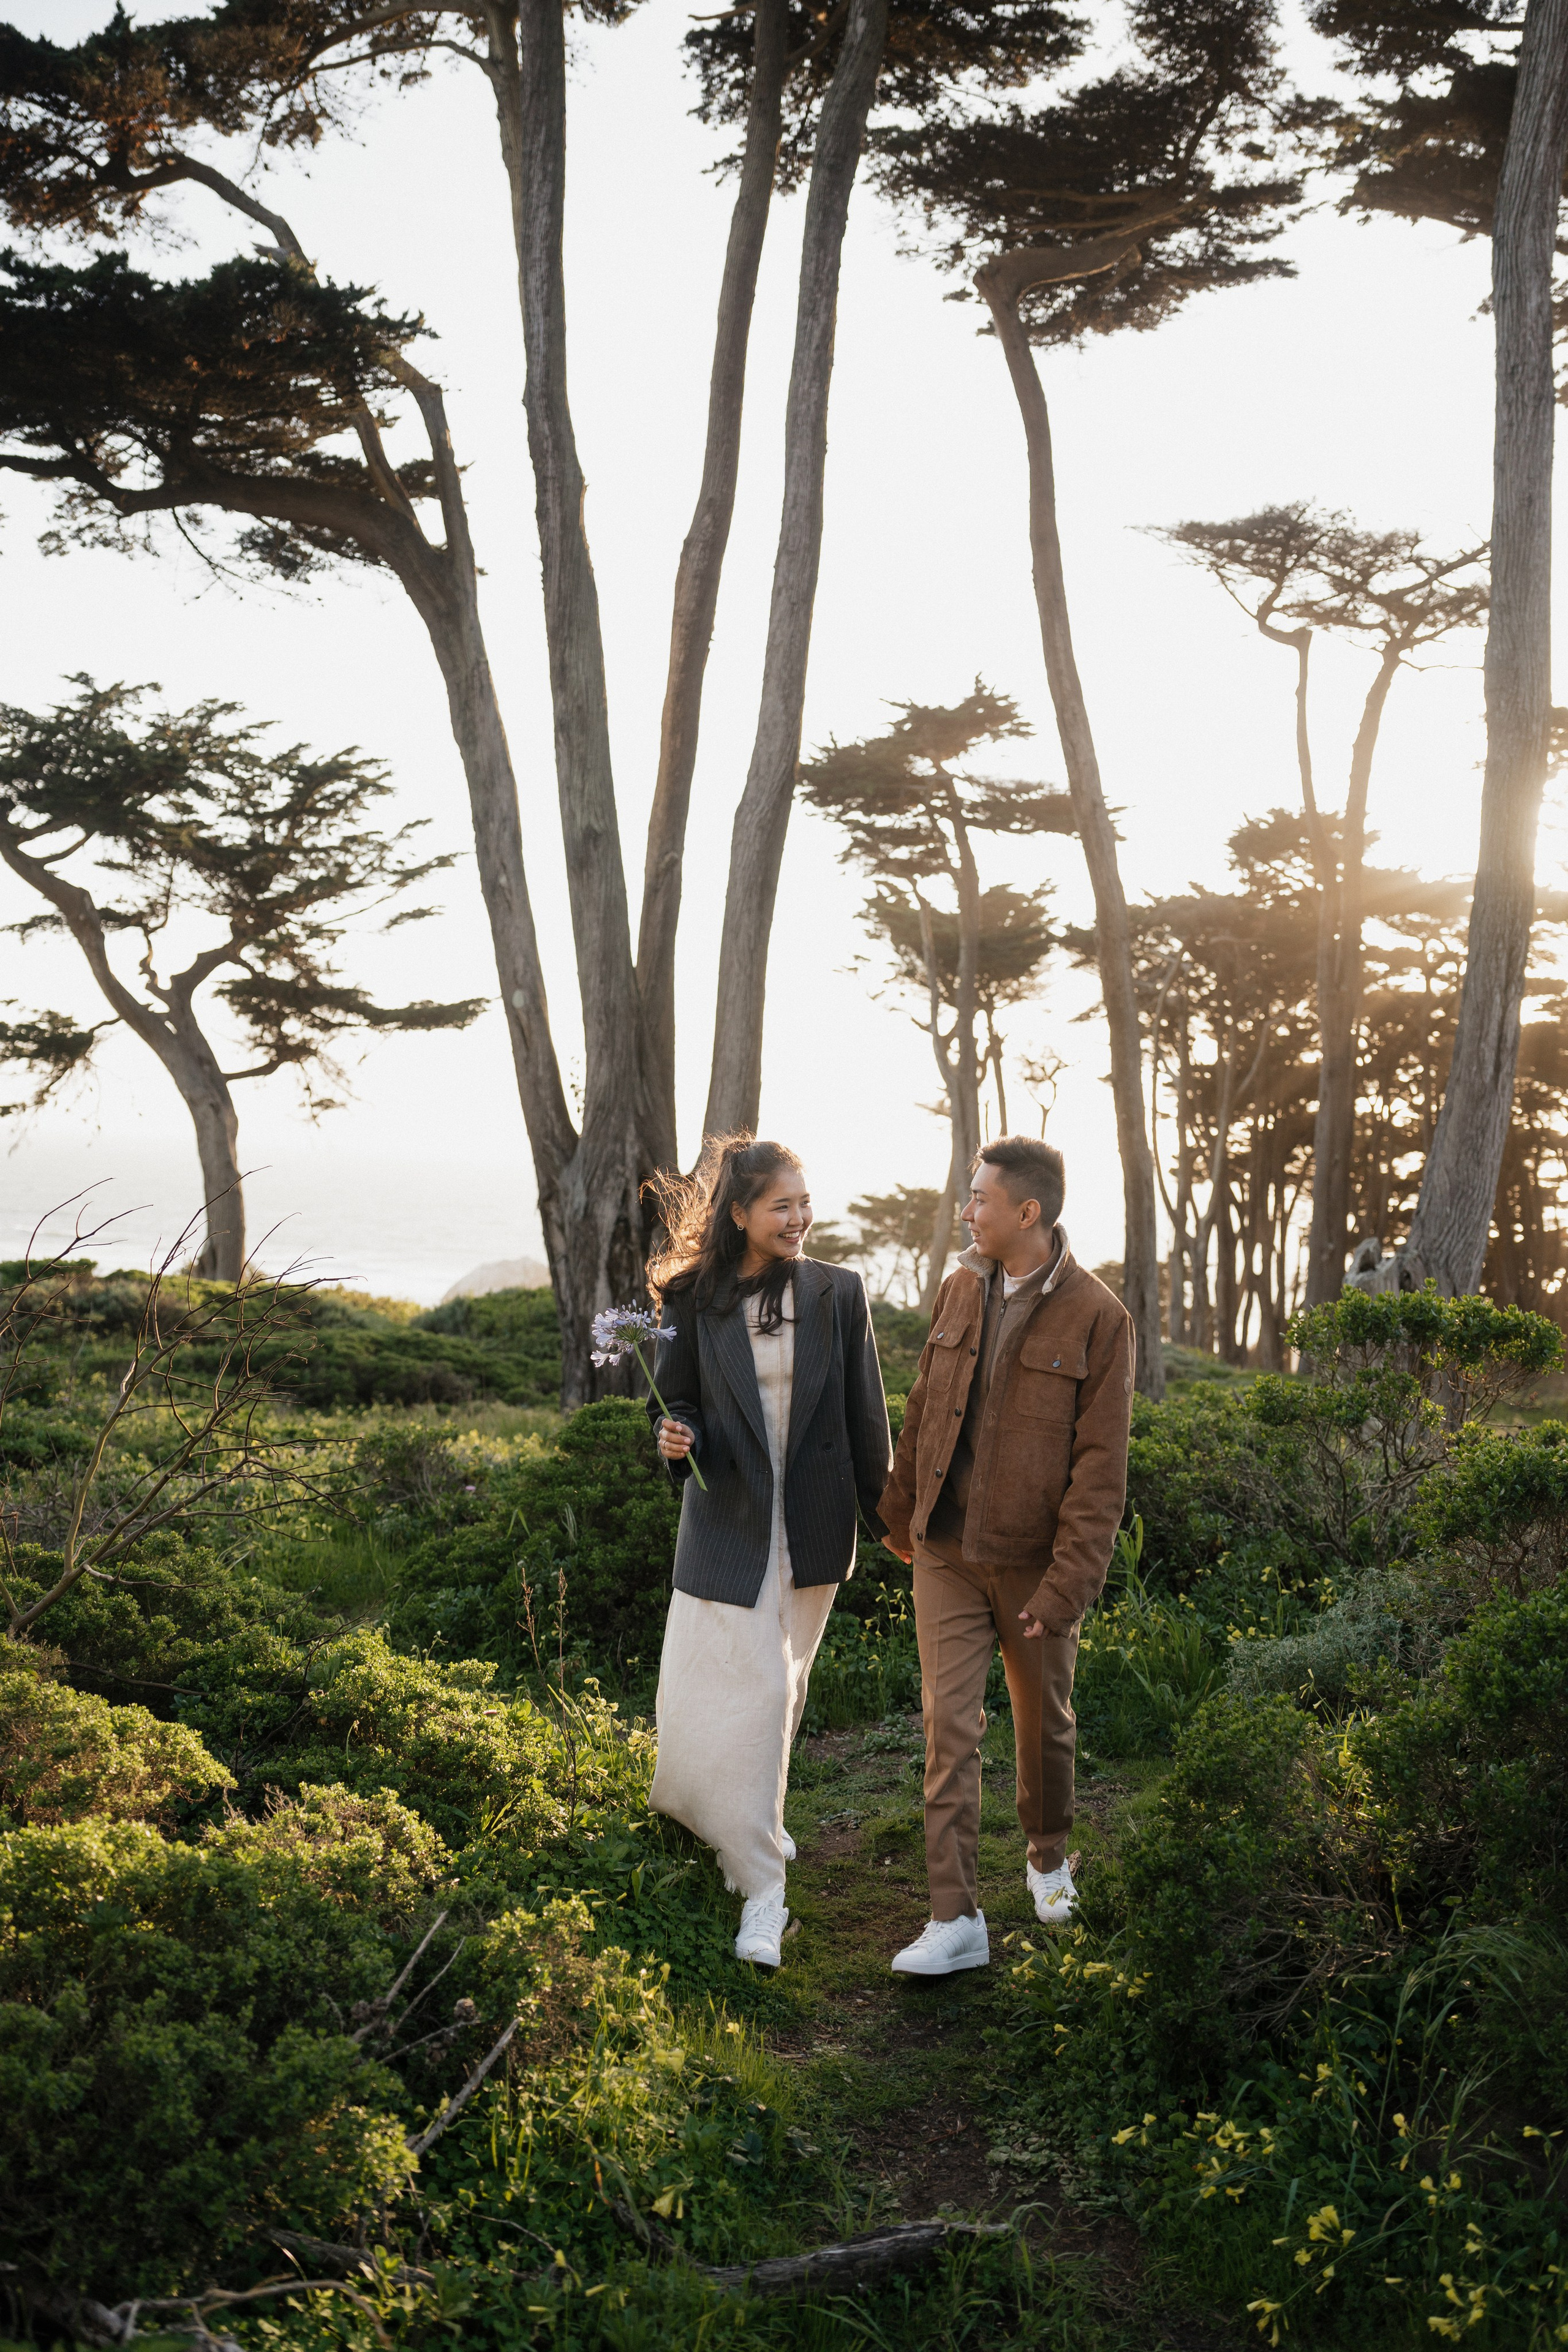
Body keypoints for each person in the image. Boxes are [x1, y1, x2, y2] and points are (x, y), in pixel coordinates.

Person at [878, 1136, 1133, 1978]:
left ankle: (1048, 1853)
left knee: (1044, 1729)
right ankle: (955, 1918)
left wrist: (1067, 1587)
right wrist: (898, 1515)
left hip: (1036, 1568)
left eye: (980, 1198)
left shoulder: (1100, 1317)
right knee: (948, 1730)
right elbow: (922, 1406)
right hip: (945, 1552)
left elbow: (1102, 1472)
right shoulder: (960, 1286)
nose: (967, 1210)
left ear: (1028, 1212)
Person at [645, 1134, 891, 1969]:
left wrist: (893, 1523)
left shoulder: (838, 1293)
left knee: (779, 1694)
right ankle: (762, 1891)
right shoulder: (688, 1298)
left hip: (815, 1526)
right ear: (740, 1214)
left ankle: (752, 1832)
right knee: (734, 1694)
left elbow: (868, 1422)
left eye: (803, 1203)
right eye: (781, 1206)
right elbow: (676, 1404)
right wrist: (674, 1437)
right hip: (729, 1524)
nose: (798, 1219)